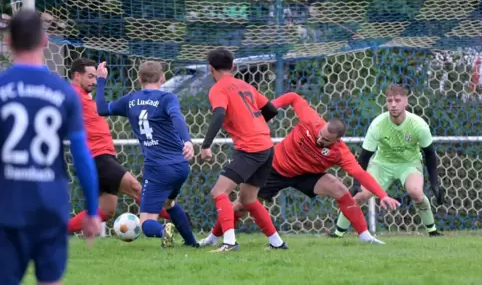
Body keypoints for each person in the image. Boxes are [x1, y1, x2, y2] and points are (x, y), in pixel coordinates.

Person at [199, 92, 400, 247]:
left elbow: (360, 174)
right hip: (274, 169)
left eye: (326, 140)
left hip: (307, 175)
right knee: (241, 205)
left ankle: (365, 236)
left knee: (340, 189)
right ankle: (213, 238)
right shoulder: (311, 120)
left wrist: (382, 195)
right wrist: (269, 109)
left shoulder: (340, 152)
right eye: (320, 135)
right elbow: (293, 97)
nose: (320, 139)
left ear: (337, 141)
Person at [0, 8, 100, 285]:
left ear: (9, 42)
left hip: (7, 205)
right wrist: (91, 211)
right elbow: (82, 155)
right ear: (44, 41)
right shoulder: (64, 92)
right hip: (50, 204)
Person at [95, 60, 198, 247]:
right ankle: (192, 243)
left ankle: (163, 231)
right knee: (169, 203)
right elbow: (176, 116)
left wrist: (101, 81)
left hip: (158, 168)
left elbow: (102, 109)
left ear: (138, 78)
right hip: (181, 165)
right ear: (162, 78)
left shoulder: (130, 100)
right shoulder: (167, 98)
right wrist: (187, 141)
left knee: (145, 223)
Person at [67, 58, 173, 233]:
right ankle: (180, 220)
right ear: (77, 76)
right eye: (90, 77)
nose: (94, 81)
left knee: (105, 210)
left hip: (102, 155)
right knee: (136, 188)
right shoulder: (72, 95)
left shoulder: (84, 96)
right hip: (96, 156)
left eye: (95, 77)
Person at [201, 48, 286, 252]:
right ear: (233, 67)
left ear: (211, 69)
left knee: (219, 191)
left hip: (250, 148)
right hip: (266, 146)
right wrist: (252, 123)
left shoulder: (218, 89)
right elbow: (271, 110)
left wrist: (206, 145)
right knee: (248, 199)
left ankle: (229, 242)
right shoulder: (245, 86)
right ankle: (277, 243)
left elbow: (219, 114)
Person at [334, 84, 444, 237]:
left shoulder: (419, 125)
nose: (393, 104)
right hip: (382, 164)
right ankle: (337, 235)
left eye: (397, 100)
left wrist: (435, 183)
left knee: (416, 193)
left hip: (409, 164)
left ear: (406, 102)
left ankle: (433, 232)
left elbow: (430, 154)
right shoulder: (378, 125)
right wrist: (356, 183)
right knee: (360, 196)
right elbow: (364, 156)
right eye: (389, 100)